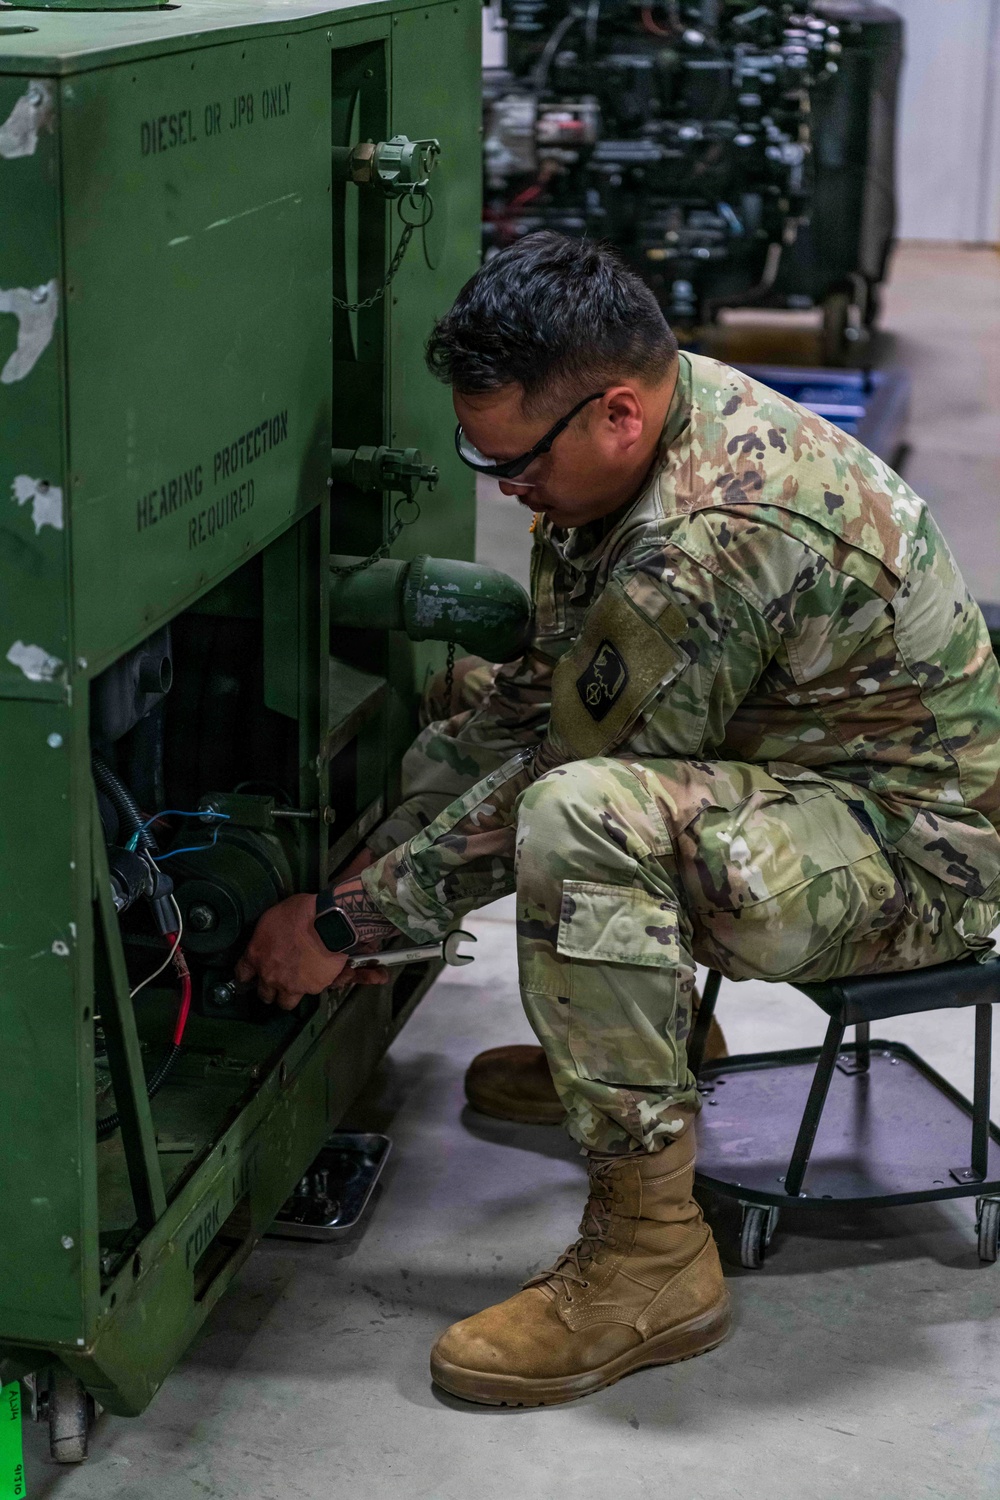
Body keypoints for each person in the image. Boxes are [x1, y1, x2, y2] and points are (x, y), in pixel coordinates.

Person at [237, 231, 1000, 1407]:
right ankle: (645, 1052)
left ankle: (653, 1262)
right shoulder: (635, 437)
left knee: (580, 823)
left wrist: (342, 925)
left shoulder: (704, 536)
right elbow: (530, 699)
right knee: (467, 724)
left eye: (513, 461)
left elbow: (566, 772)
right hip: (795, 784)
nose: (501, 489)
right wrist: (384, 856)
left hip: (917, 855)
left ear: (615, 416)